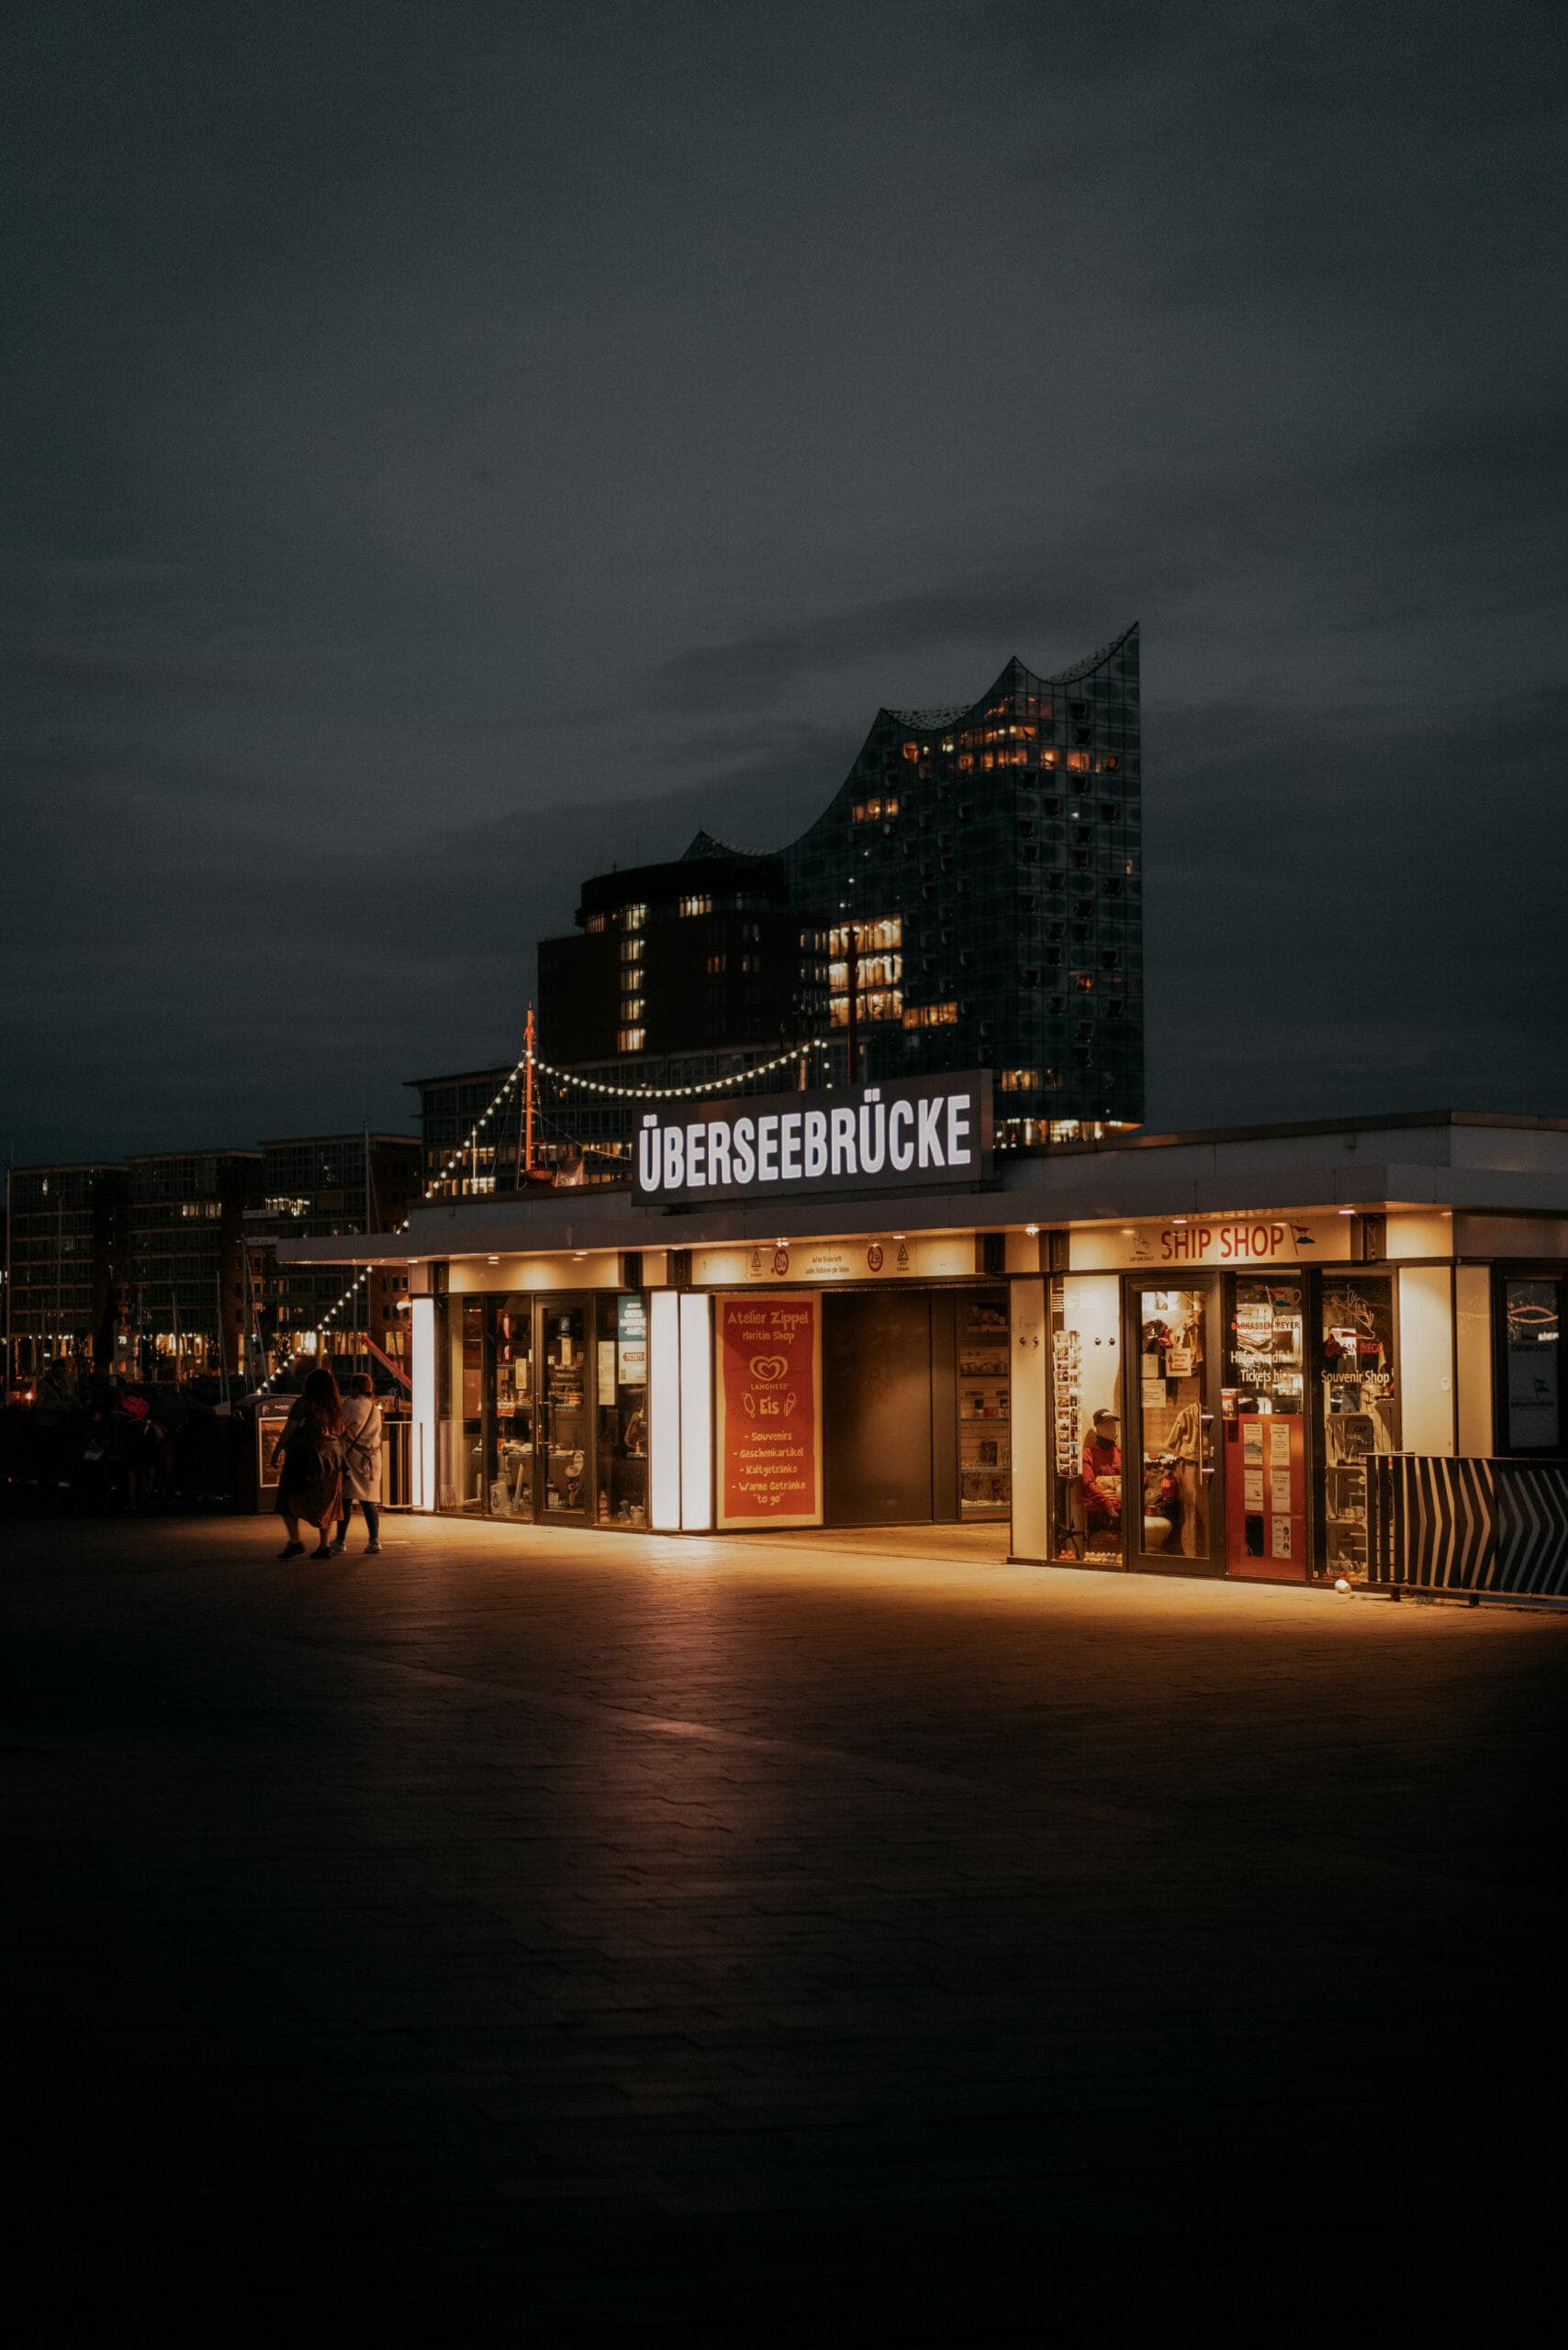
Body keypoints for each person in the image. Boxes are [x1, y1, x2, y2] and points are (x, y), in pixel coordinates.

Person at [271, 1367, 343, 1559]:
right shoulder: (335, 1406)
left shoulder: (303, 1404)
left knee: (287, 1499)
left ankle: (295, 1541)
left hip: (304, 1459)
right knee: (326, 1502)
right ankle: (324, 1545)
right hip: (332, 1461)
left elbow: (289, 1428)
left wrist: (278, 1450)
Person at [331, 1372, 384, 1555]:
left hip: (353, 1458)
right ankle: (374, 1540)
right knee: (368, 1500)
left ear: (355, 1387)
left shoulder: (351, 1406)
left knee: (346, 1499)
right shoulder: (374, 1408)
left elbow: (339, 1427)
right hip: (373, 1458)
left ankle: (340, 1540)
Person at [1081, 1408, 1122, 1546]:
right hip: (1098, 1510)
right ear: (1097, 1427)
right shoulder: (1088, 1454)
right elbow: (1088, 1483)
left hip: (1121, 1509)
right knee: (1100, 1547)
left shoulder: (1121, 1452)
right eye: (1106, 1425)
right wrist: (1107, 1505)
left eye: (1113, 1425)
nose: (1112, 1428)